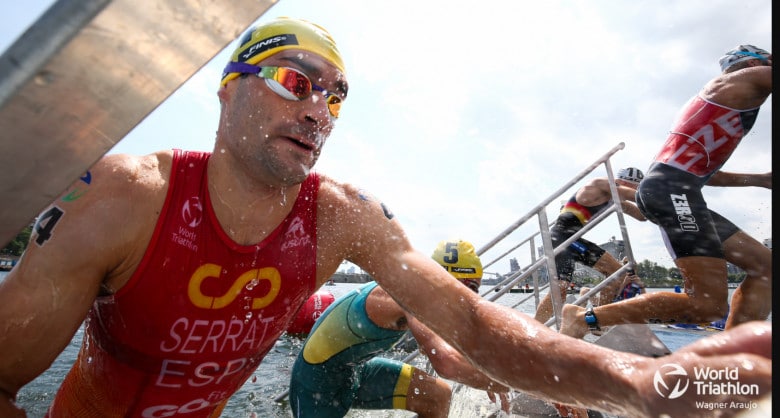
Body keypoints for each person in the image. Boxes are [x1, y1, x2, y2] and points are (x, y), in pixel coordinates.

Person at [0, 19, 770, 418]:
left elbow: (468, 326)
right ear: (228, 88)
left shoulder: (340, 217)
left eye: (335, 96)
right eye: (296, 81)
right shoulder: (124, 199)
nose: (317, 110)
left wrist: (644, 382)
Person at [560, 45, 772, 339]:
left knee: (766, 266)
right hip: (672, 192)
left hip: (678, 191)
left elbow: (705, 171)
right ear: (755, 62)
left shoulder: (722, 99)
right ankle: (583, 318)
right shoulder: (749, 78)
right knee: (707, 306)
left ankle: (732, 350)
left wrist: (761, 179)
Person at [288, 240, 509, 418]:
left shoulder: (425, 294)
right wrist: (507, 383)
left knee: (436, 396)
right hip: (316, 383)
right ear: (448, 279)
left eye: (475, 291)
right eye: (470, 288)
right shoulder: (413, 295)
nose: (471, 299)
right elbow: (446, 364)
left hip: (356, 372)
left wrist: (484, 370)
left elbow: (439, 347)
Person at [533, 167, 647, 324]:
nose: (636, 190)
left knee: (618, 273)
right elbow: (636, 196)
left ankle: (597, 321)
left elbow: (642, 216)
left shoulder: (616, 198)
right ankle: (535, 327)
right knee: (560, 290)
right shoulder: (600, 184)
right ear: (623, 182)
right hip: (561, 239)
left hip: (574, 240)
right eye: (636, 186)